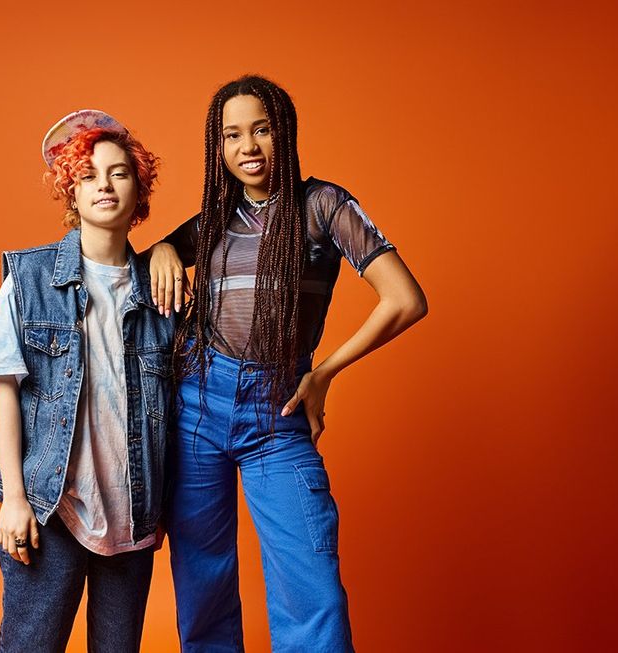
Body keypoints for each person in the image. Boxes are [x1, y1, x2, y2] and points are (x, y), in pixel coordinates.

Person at [147, 76, 428, 652]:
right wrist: (164, 249)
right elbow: (159, 251)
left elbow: (405, 299)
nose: (247, 146)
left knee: (311, 583)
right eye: (232, 135)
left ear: (285, 133)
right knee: (203, 584)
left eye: (262, 129)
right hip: (196, 406)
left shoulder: (323, 205)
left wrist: (323, 373)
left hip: (277, 411)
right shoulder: (216, 217)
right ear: (217, 148)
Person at [0, 110, 174, 653]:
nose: (104, 185)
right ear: (71, 192)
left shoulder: (163, 293)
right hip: (50, 509)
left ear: (140, 190)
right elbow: (5, 389)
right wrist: (14, 498)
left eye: (119, 172)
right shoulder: (30, 278)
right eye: (88, 175)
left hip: (132, 515)